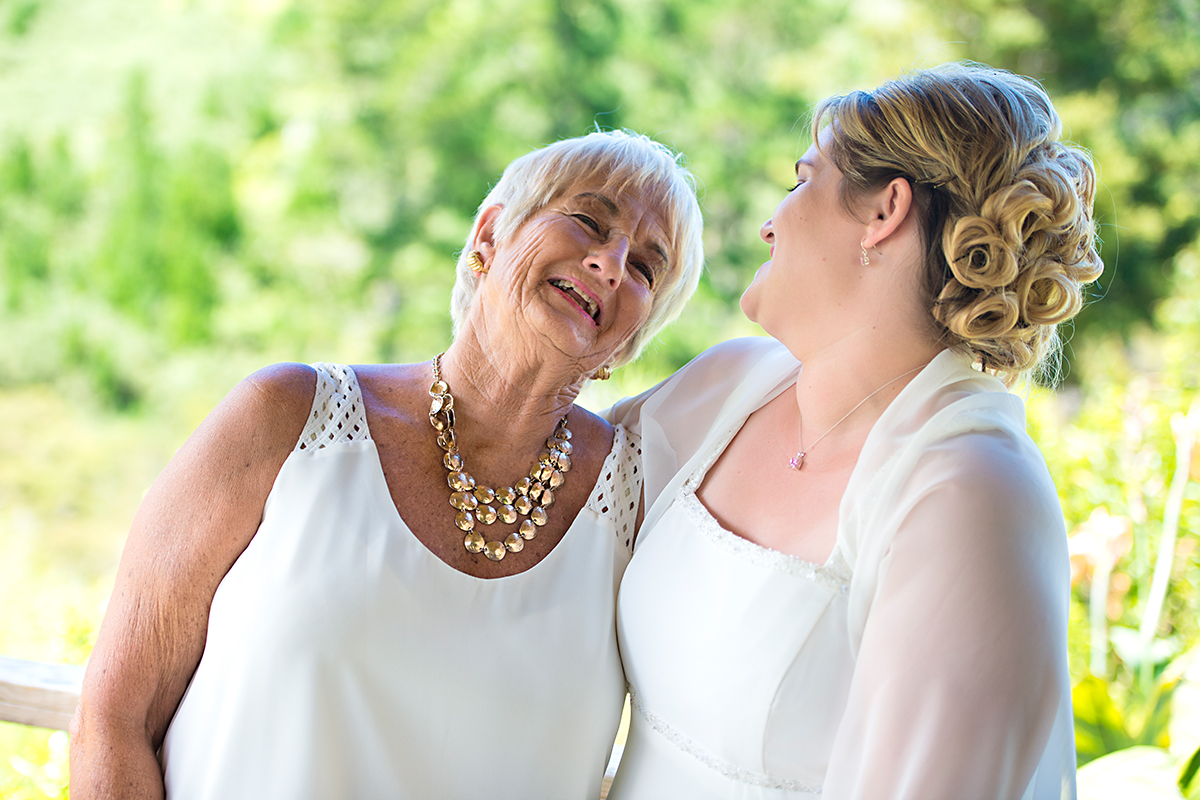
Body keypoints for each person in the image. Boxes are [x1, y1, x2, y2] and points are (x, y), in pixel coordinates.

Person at [69, 129, 704, 799]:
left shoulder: (637, 509)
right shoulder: (287, 418)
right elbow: (114, 718)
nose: (610, 262)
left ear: (628, 343)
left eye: (644, 267)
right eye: (586, 220)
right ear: (488, 235)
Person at [605, 63, 1103, 799]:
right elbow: (538, 503)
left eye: (803, 180)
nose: (772, 220)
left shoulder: (970, 496)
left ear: (885, 212)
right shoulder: (725, 390)